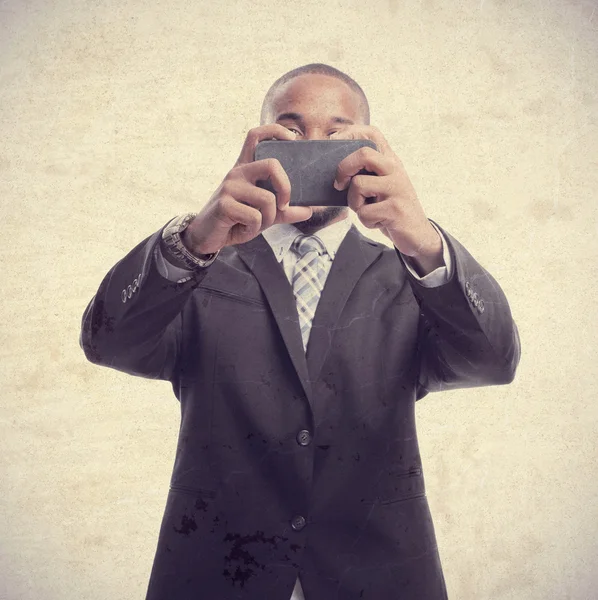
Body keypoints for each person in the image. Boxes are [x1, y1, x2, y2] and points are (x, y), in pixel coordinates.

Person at [80, 63, 521, 600]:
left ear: (371, 153)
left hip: (379, 576)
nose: (313, 148)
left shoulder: (412, 275)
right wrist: (195, 238)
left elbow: (493, 361)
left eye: (337, 136)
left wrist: (422, 239)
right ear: (259, 148)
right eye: (290, 132)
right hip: (216, 575)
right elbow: (108, 342)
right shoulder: (202, 264)